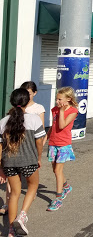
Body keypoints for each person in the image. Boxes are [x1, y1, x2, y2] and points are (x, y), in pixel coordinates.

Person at [0, 89, 45, 237]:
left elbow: (0, 147)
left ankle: (11, 231)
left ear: (12, 101)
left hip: (9, 163)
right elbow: (39, 142)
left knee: (14, 194)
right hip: (29, 161)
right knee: (33, 186)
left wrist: (1, 168)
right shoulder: (34, 119)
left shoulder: (3, 122)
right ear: (27, 102)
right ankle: (22, 216)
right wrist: (38, 157)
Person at [45, 86, 79, 211]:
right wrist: (45, 138)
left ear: (68, 99)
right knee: (55, 170)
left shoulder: (73, 111)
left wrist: (62, 111)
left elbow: (62, 125)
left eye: (60, 99)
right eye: (56, 99)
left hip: (63, 144)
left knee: (58, 171)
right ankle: (66, 186)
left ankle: (58, 199)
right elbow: (54, 126)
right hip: (53, 143)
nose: (57, 102)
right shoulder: (55, 110)